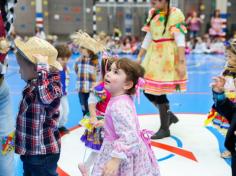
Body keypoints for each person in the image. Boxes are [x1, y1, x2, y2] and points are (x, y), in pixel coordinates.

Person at [92, 58, 160, 176]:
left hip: (121, 154)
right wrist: (106, 123)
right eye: (110, 70)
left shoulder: (119, 105)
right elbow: (124, 123)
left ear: (127, 84)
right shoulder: (121, 98)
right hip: (125, 150)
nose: (108, 73)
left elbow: (129, 135)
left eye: (116, 72)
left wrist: (115, 159)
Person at [137, 0, 187, 139]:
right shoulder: (152, 13)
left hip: (167, 57)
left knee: (158, 93)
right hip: (153, 56)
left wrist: (181, 63)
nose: (152, 2)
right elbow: (149, 36)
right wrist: (140, 56)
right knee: (146, 89)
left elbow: (180, 40)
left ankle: (165, 128)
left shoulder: (176, 14)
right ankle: (168, 115)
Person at [14, 37, 63, 176]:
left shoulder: (53, 86)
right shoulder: (33, 84)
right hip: (31, 150)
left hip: (43, 153)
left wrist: (42, 67)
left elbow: (45, 98)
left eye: (21, 67)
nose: (19, 71)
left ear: (36, 69)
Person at [78, 56, 115, 176]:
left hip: (112, 120)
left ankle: (87, 166)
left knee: (106, 149)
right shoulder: (101, 88)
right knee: (102, 148)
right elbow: (91, 101)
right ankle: (90, 167)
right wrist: (93, 116)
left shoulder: (117, 86)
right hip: (102, 121)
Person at [210, 39, 236, 175]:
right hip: (229, 102)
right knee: (229, 127)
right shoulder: (227, 69)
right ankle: (231, 148)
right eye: (227, 56)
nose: (228, 58)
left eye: (231, 56)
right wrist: (219, 90)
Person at [0, 1, 17, 175]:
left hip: (2, 90)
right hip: (1, 84)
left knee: (7, 141)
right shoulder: (7, 9)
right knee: (7, 142)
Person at [73, 31, 105, 117]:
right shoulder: (78, 60)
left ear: (89, 50)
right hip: (81, 88)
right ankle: (85, 118)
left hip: (91, 88)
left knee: (92, 105)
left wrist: (98, 85)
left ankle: (93, 118)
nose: (80, 49)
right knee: (83, 105)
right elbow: (76, 70)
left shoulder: (95, 62)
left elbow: (99, 74)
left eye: (83, 48)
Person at [55, 44, 72, 134]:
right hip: (55, 96)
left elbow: (66, 80)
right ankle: (54, 128)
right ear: (56, 58)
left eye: (67, 59)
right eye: (62, 59)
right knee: (59, 111)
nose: (65, 61)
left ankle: (61, 126)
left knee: (66, 111)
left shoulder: (66, 68)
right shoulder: (53, 68)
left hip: (64, 94)